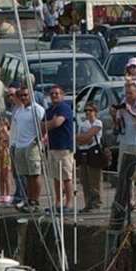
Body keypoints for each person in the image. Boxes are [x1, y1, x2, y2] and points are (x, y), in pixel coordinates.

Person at [111, 78, 136, 222]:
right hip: (125, 142)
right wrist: (116, 115)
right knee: (125, 173)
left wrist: (132, 113)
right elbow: (118, 127)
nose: (128, 96)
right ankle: (129, 200)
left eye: (130, 94)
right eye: (126, 93)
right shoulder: (123, 107)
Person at [8, 84, 46, 210]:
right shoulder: (19, 110)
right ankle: (28, 199)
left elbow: (44, 127)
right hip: (19, 146)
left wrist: (37, 141)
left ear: (31, 95)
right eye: (21, 95)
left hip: (32, 145)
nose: (23, 97)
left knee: (34, 175)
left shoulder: (38, 110)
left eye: (25, 95)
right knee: (25, 175)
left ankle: (35, 201)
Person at [43, 83, 76, 211]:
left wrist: (49, 123)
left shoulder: (64, 108)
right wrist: (50, 123)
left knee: (66, 177)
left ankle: (69, 203)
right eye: (52, 94)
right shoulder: (50, 110)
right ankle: (58, 202)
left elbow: (58, 122)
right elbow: (41, 125)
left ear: (62, 95)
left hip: (64, 147)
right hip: (52, 146)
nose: (54, 96)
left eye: (57, 93)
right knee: (56, 177)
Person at [75, 101, 104, 211]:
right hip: (83, 152)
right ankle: (88, 203)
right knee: (84, 179)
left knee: (94, 179)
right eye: (86, 110)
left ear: (95, 112)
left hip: (94, 152)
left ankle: (96, 202)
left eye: (90, 110)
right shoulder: (83, 124)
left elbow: (89, 136)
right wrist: (83, 138)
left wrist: (83, 138)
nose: (87, 112)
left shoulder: (98, 123)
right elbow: (80, 139)